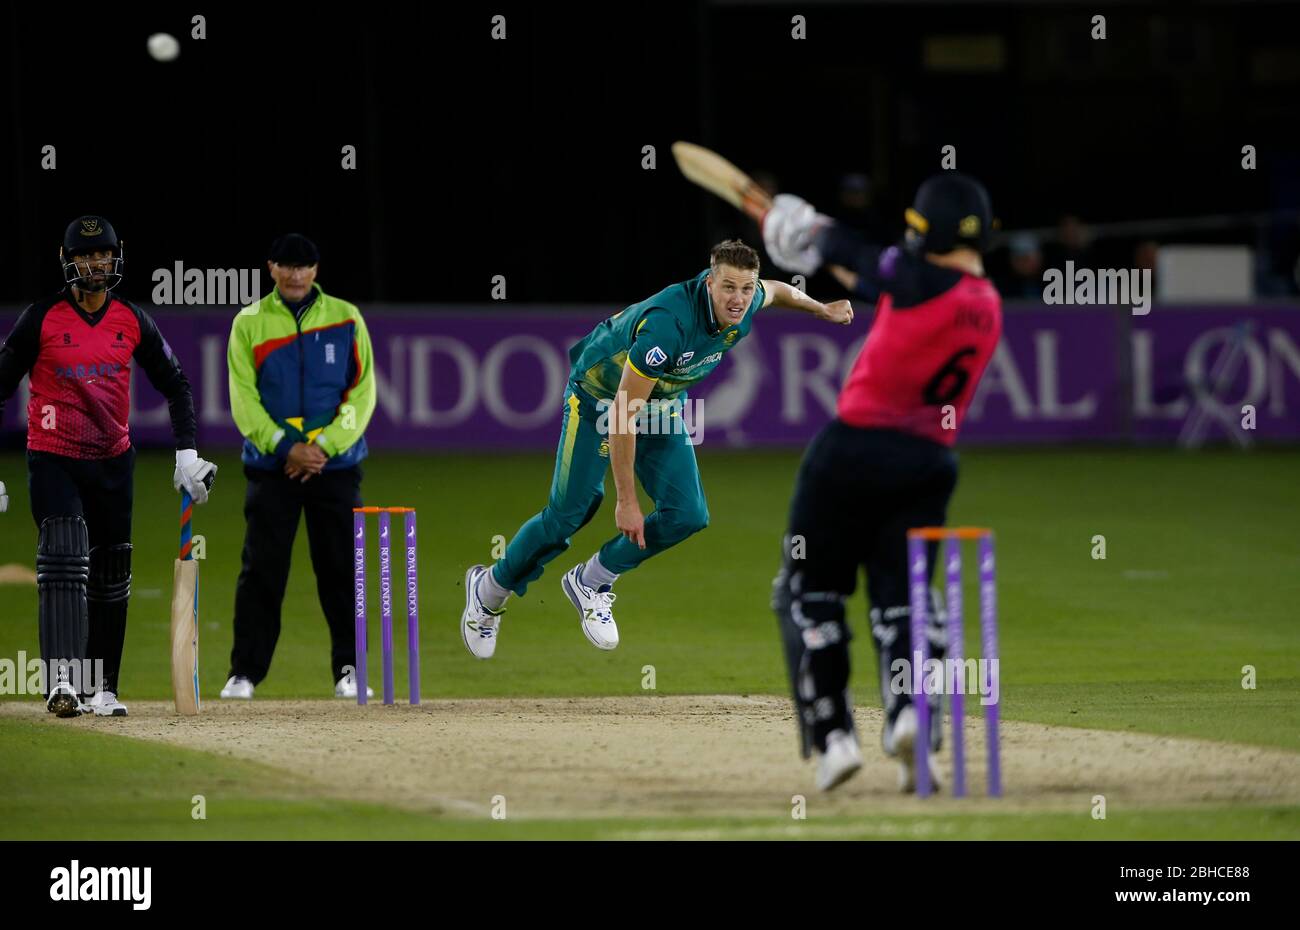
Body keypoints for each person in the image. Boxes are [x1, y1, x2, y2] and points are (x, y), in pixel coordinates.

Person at [460, 240, 854, 658]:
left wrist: (820, 308)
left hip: (660, 407)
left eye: (745, 288)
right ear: (708, 281)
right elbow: (623, 414)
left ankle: (591, 580)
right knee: (571, 512)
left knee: (687, 515)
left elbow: (777, 290)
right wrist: (627, 501)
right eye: (728, 288)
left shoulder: (750, 297)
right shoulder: (668, 325)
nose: (738, 299)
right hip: (599, 401)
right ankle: (488, 591)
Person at [762, 174, 1003, 792]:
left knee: (807, 592)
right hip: (928, 464)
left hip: (851, 452)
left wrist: (814, 229)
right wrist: (813, 256)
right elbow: (877, 281)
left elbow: (877, 262)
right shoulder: (983, 300)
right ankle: (909, 715)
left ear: (934, 233)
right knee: (903, 599)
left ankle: (834, 736)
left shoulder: (923, 278)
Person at [0, 215, 215, 718]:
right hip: (54, 456)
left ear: (116, 258)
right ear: (67, 259)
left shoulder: (132, 319)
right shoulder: (42, 318)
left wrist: (186, 455)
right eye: (86, 255)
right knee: (63, 553)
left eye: (104, 255)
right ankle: (61, 682)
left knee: (111, 569)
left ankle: (104, 689)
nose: (96, 264)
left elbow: (176, 384)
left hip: (113, 460)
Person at [221, 234, 376, 700]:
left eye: (303, 266)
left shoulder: (346, 317)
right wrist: (286, 447)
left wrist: (323, 447)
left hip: (336, 466)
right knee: (262, 571)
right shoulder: (249, 322)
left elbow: (362, 391)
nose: (294, 275)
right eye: (286, 266)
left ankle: (349, 669)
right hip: (273, 469)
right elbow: (243, 399)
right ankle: (244, 673)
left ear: (316, 270)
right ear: (271, 268)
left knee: (341, 571)